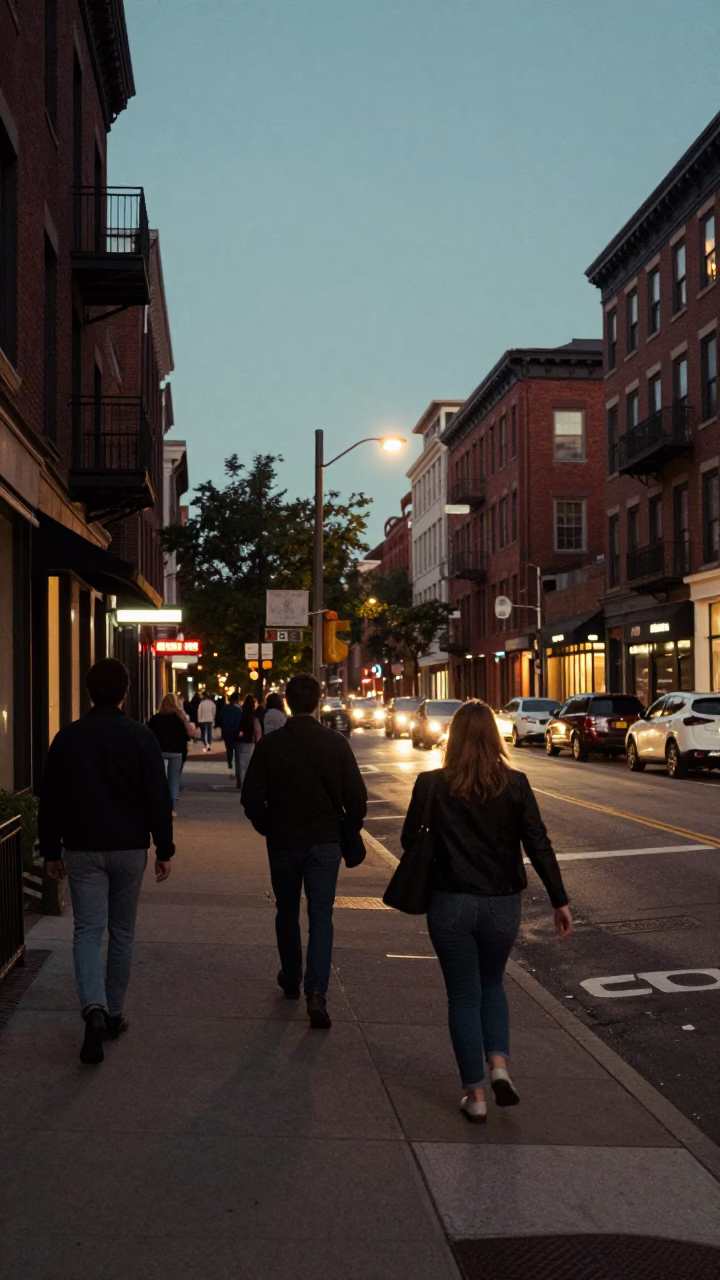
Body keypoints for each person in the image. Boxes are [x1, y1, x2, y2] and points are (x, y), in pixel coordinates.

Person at [400, 700, 572, 1123]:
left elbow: (409, 842)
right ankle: (499, 1064)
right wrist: (559, 900)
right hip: (501, 906)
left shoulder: (430, 784)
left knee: (462, 996)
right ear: (495, 737)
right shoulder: (516, 784)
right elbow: (538, 843)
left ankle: (475, 1096)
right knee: (492, 985)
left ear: (452, 737)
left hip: (450, 903)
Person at [38, 658, 174, 1066]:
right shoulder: (141, 737)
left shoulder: (68, 738)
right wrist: (164, 849)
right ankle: (113, 1015)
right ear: (124, 693)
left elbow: (52, 799)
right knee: (122, 932)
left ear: (87, 692)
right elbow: (157, 797)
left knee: (86, 931)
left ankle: (92, 1009)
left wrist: (50, 849)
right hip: (130, 847)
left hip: (82, 848)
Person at [242, 673, 367, 1029]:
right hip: (325, 841)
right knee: (321, 916)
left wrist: (268, 825)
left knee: (286, 910)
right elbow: (357, 798)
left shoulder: (271, 745)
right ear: (317, 702)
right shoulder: (336, 743)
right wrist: (347, 828)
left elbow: (250, 798)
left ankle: (292, 978)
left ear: (287, 701)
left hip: (283, 840)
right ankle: (317, 992)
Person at [148, 693, 193, 816]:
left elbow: (149, 736)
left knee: (159, 780)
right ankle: (170, 809)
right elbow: (186, 736)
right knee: (173, 781)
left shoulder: (155, 718)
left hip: (160, 752)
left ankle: (158, 807)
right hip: (176, 752)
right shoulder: (179, 719)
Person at [236, 694, 262, 788]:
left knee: (240, 763)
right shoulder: (253, 717)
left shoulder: (241, 714)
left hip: (240, 741)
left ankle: (241, 781)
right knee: (247, 764)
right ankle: (245, 783)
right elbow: (256, 731)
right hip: (250, 741)